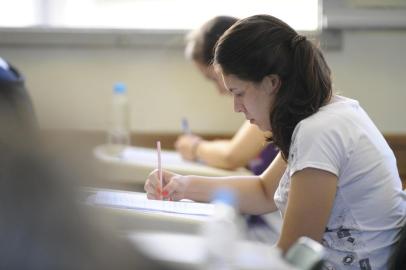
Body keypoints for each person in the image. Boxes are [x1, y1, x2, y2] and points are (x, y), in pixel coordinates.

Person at [145, 14, 406, 269]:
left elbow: (290, 255)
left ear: (271, 83)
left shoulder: (319, 131)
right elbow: (263, 191)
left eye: (239, 93)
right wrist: (182, 185)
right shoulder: (326, 116)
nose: (236, 107)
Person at [175, 16, 278, 173]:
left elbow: (231, 156)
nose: (220, 91)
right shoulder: (264, 99)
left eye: (215, 79)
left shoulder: (273, 99)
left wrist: (194, 147)